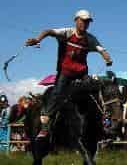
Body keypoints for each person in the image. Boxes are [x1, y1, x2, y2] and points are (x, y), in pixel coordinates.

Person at [25, 10, 112, 139]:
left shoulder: (90, 39)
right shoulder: (67, 33)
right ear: (76, 20)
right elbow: (49, 31)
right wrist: (38, 39)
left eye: (88, 22)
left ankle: (101, 124)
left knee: (95, 88)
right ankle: (45, 125)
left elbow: (101, 49)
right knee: (57, 93)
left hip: (82, 74)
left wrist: (107, 58)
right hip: (65, 72)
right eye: (83, 21)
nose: (85, 24)